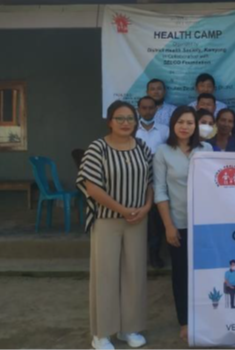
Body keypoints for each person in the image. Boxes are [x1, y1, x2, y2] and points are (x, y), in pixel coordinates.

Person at [76, 100, 153, 350]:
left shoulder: (141, 147)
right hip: (107, 219)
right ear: (110, 121)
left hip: (138, 220)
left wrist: (147, 206)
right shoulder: (98, 148)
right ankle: (102, 333)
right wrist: (122, 210)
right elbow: (91, 186)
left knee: (134, 274)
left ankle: (129, 328)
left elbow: (151, 181)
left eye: (130, 118)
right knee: (106, 275)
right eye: (119, 118)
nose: (125, 123)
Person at [154, 106, 213, 341]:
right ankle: (185, 321)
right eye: (180, 122)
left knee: (206, 273)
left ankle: (208, 318)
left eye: (189, 122)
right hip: (178, 223)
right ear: (173, 125)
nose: (185, 126)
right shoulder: (163, 151)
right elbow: (159, 190)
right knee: (181, 274)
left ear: (196, 126)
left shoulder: (206, 149)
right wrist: (169, 225)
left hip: (205, 225)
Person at [135, 96, 169, 270]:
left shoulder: (164, 130)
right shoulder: (132, 130)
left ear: (156, 109)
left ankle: (154, 255)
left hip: (158, 181)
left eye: (151, 108)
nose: (147, 111)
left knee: (155, 221)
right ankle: (136, 257)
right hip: (135, 181)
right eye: (144, 108)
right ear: (138, 109)